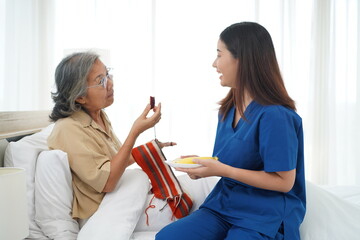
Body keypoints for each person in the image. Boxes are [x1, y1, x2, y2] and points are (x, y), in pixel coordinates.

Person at [156, 22, 305, 240]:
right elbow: (231, 160)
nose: (214, 64)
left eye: (219, 55)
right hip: (225, 205)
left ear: (242, 59)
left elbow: (284, 182)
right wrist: (203, 164)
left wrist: (222, 170)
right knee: (167, 238)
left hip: (264, 213)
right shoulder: (228, 109)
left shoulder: (275, 115)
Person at [47, 52, 174, 221]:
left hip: (122, 197)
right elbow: (107, 182)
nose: (111, 84)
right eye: (101, 81)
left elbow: (117, 161)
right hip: (106, 211)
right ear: (79, 96)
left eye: (107, 75)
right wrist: (135, 132)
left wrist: (150, 147)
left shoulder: (100, 116)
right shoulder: (67, 129)